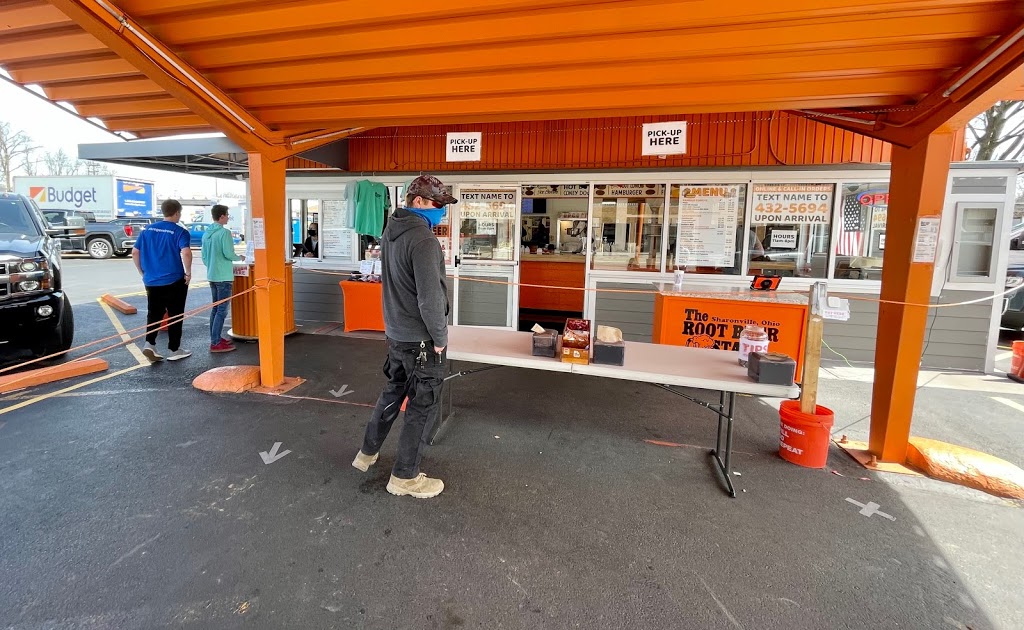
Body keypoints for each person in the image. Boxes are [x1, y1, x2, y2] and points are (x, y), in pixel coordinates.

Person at [352, 174, 457, 499]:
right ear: (419, 202)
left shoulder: (391, 233)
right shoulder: (423, 240)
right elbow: (429, 298)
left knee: (393, 393)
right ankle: (405, 476)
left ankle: (367, 453)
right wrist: (440, 338)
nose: (442, 212)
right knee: (421, 405)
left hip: (397, 335)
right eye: (438, 205)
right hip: (422, 340)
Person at [132, 199, 192, 362]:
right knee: (175, 314)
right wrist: (188, 272)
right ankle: (174, 349)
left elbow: (135, 252)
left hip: (151, 280)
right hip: (174, 280)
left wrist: (141, 271)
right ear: (177, 213)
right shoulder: (180, 231)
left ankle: (149, 344)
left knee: (154, 313)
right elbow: (186, 252)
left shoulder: (146, 231)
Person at [201, 204, 242, 353]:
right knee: (222, 311)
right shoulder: (224, 233)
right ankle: (216, 342)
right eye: (227, 215)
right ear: (222, 216)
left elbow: (204, 257)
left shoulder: (207, 234)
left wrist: (212, 266)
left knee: (215, 309)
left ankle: (215, 338)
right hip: (223, 276)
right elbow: (229, 254)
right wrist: (241, 257)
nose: (228, 217)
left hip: (212, 275)